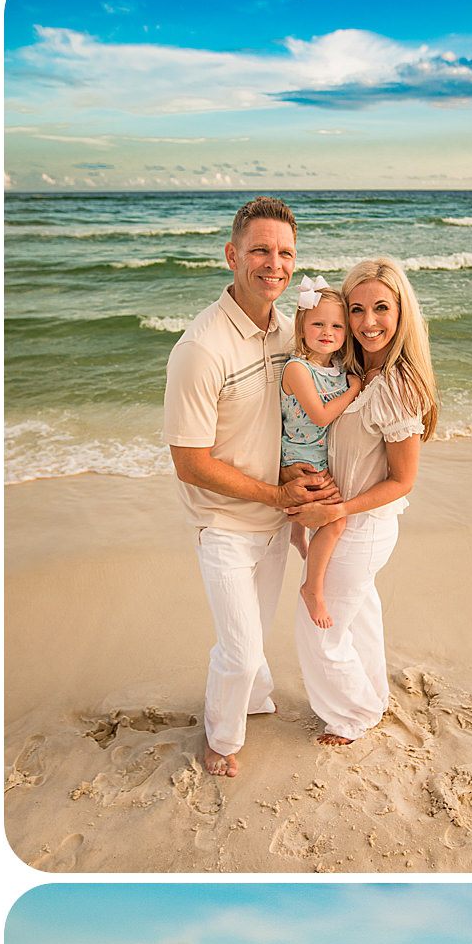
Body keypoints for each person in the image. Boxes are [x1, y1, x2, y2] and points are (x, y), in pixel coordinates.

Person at [162, 195, 344, 777]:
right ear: (232, 255)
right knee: (239, 650)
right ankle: (220, 738)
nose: (275, 264)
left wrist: (294, 480)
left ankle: (255, 699)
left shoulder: (290, 333)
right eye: (261, 250)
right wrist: (274, 494)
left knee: (255, 634)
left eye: (286, 253)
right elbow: (189, 462)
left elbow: (290, 418)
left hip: (276, 520)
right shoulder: (200, 349)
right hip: (224, 524)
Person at [296, 257, 437, 747]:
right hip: (344, 523)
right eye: (356, 310)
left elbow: (403, 481)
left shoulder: (397, 385)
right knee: (358, 618)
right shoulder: (351, 371)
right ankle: (372, 698)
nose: (367, 322)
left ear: (401, 312)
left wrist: (336, 511)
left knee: (319, 628)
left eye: (381, 308)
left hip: (361, 524)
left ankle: (352, 717)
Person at [279, 278, 362, 631]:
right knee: (335, 521)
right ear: (302, 326)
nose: (327, 332)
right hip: (300, 459)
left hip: (319, 456)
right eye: (318, 324)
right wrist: (355, 389)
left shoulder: (337, 367)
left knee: (328, 517)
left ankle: (296, 533)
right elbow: (321, 415)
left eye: (337, 326)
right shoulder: (298, 369)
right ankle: (312, 589)